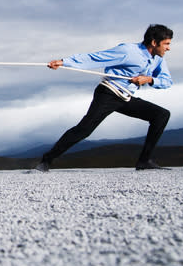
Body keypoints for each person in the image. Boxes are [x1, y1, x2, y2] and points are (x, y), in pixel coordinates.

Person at [35, 24, 173, 172]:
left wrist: (150, 80)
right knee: (84, 130)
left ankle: (144, 161)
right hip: (108, 93)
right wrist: (63, 62)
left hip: (125, 97)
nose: (168, 48)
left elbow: (167, 81)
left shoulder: (158, 59)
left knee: (161, 115)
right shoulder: (128, 51)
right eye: (166, 44)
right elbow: (95, 58)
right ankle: (46, 161)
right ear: (154, 42)